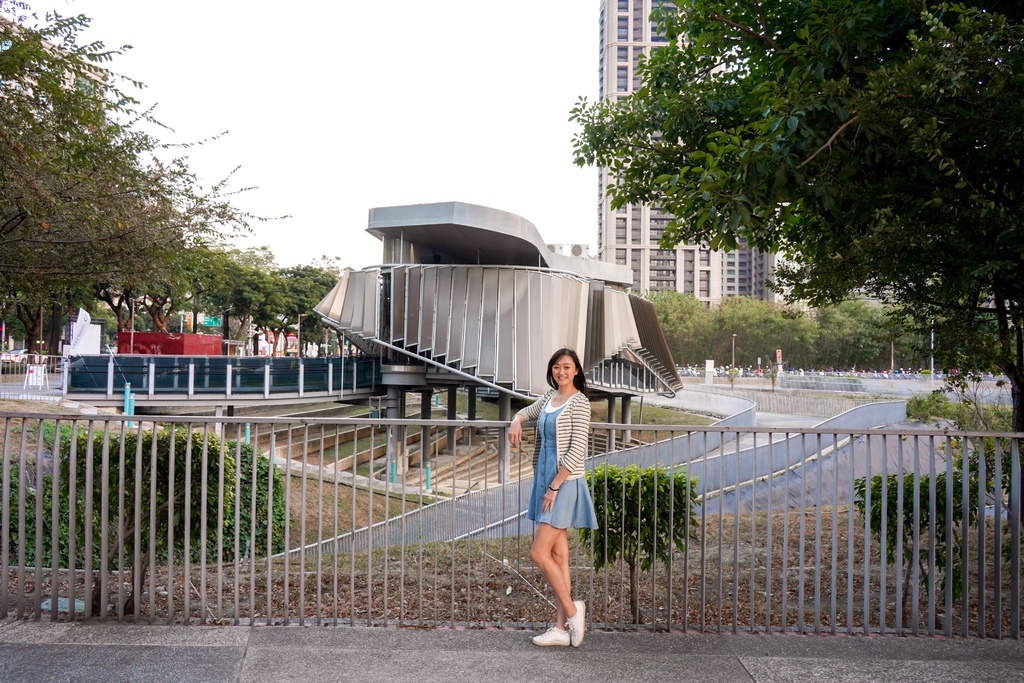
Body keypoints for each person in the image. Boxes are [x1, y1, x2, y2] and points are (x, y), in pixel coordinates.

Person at [507, 348, 598, 647]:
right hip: (544, 481)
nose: (561, 372)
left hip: (563, 485)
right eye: (557, 367)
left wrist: (555, 486)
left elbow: (576, 450)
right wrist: (516, 421)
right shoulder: (548, 398)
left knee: (539, 553)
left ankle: (574, 612)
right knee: (559, 556)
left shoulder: (580, 403)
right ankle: (560, 629)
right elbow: (527, 411)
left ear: (576, 371)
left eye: (567, 367)